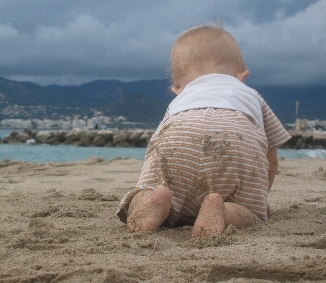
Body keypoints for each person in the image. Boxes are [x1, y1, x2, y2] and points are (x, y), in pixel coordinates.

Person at [116, 25, 291, 238]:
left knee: (153, 183)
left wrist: (149, 183)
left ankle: (153, 197)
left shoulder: (180, 100)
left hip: (179, 134)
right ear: (241, 75)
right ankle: (224, 211)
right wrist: (257, 200)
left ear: (176, 88)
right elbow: (271, 159)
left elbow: (157, 145)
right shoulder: (251, 95)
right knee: (250, 212)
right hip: (234, 138)